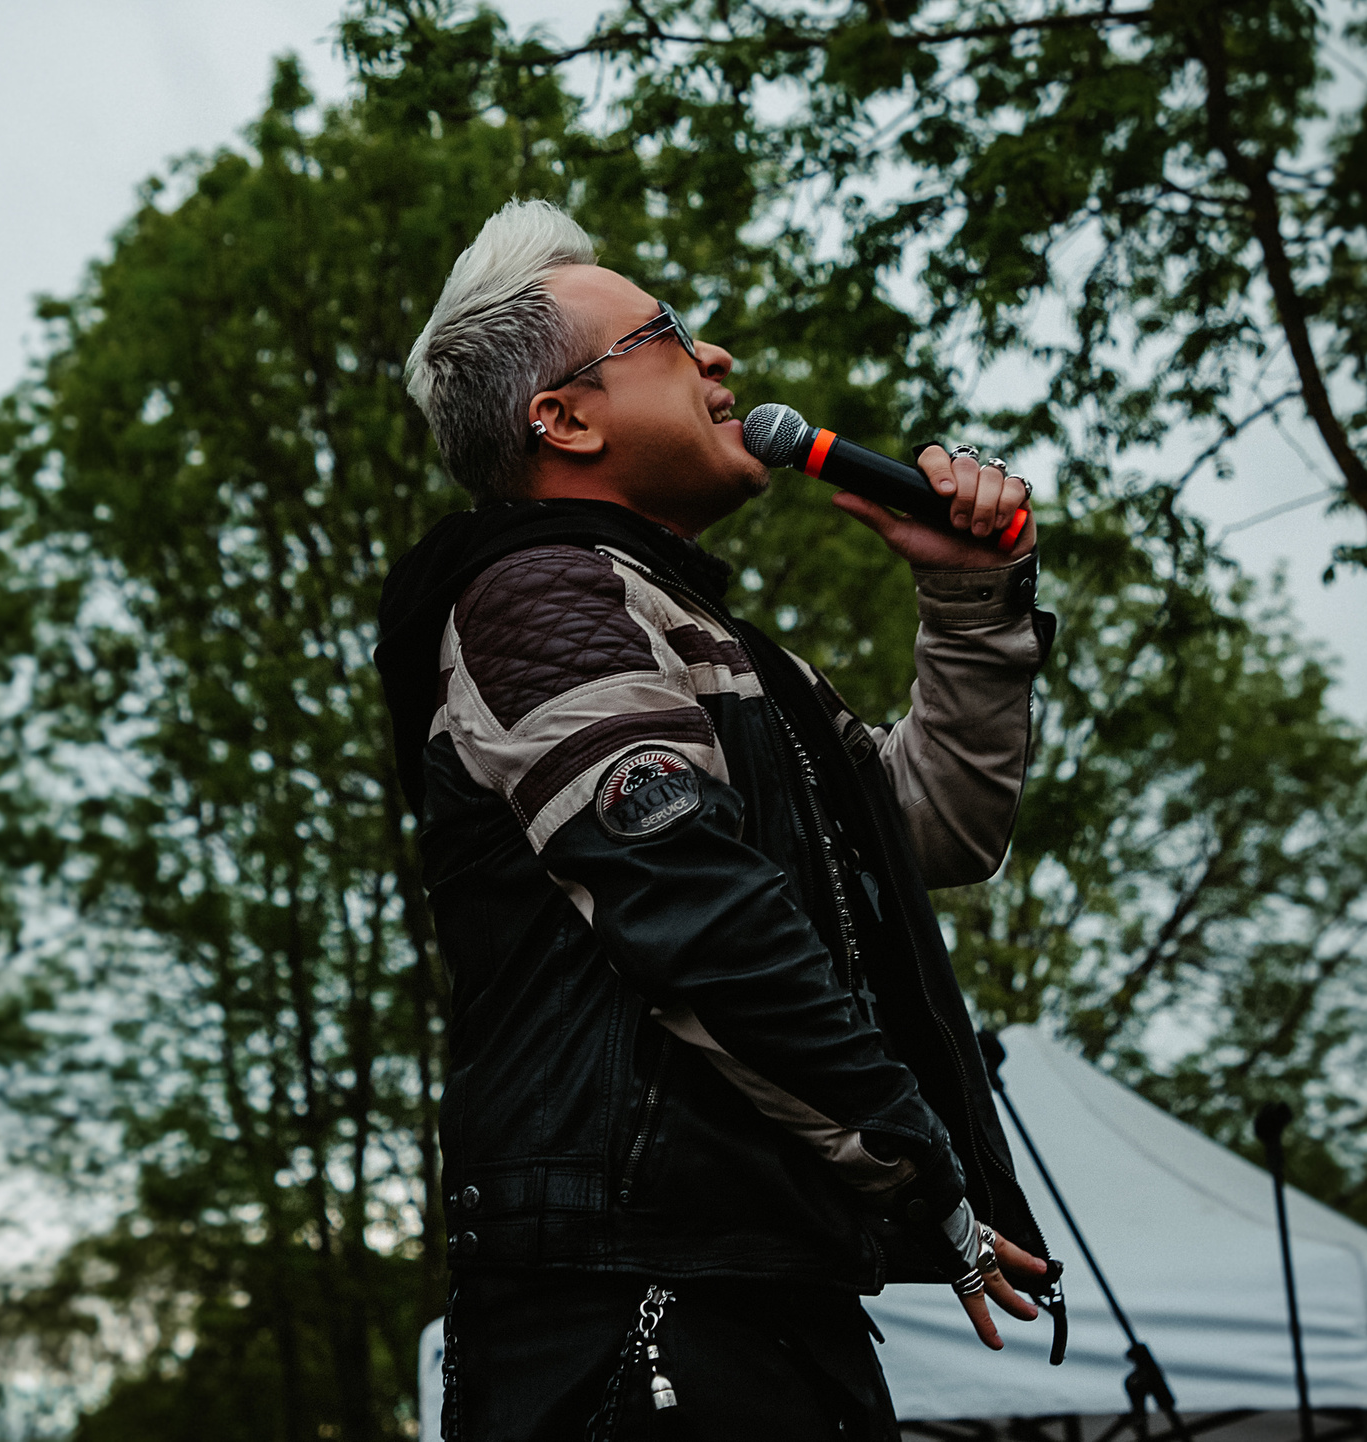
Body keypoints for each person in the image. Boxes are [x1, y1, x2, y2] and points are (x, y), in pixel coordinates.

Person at [374, 202, 1060, 1442]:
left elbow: (929, 836)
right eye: (670, 333)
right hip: (629, 1300)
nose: (719, 358)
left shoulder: (728, 654)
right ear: (564, 418)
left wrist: (970, 601)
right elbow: (692, 907)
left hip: (758, 1275)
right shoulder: (541, 596)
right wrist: (917, 1160)